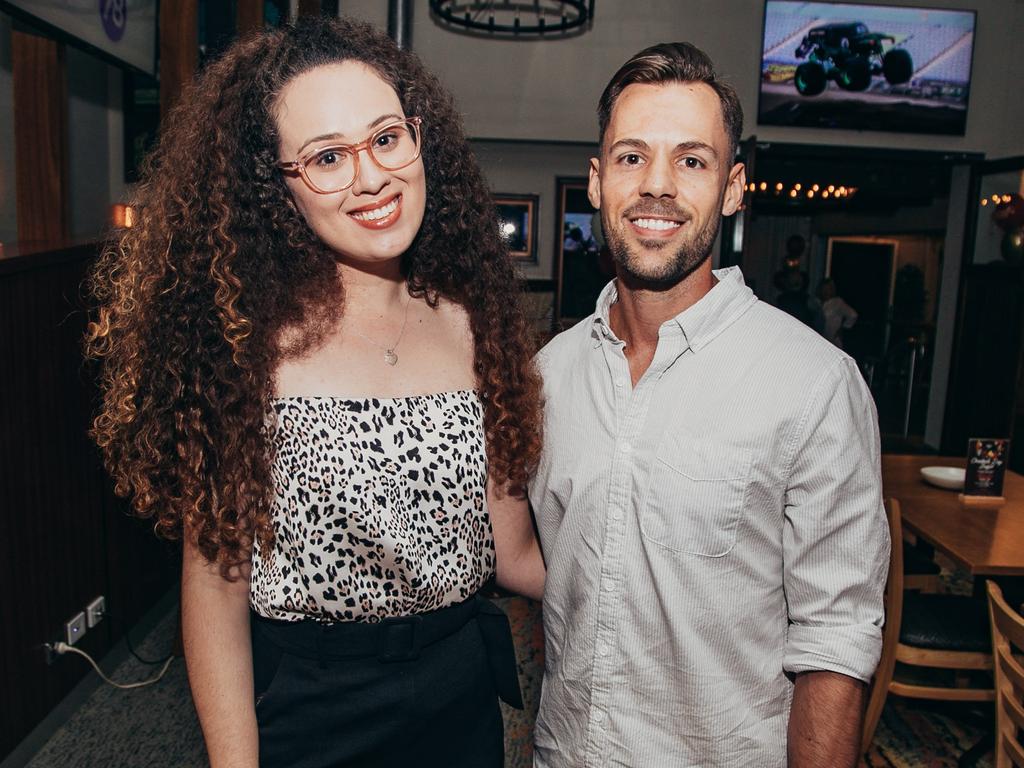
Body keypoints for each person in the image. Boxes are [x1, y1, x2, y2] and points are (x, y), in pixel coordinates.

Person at [86, 17, 545, 768]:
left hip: (460, 696)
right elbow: (215, 595)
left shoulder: (476, 326)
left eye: (387, 138)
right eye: (328, 157)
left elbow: (514, 552)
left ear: (420, 138)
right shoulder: (244, 347)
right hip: (310, 709)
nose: (371, 177)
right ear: (278, 187)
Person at [528, 42, 888, 767]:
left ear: (732, 188)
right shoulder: (547, 377)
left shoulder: (813, 383)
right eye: (631, 158)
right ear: (597, 182)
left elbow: (836, 640)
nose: (656, 186)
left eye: (691, 160)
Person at [818, 277, 859, 348]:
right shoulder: (816, 302)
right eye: (824, 289)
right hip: (819, 339)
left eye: (828, 289)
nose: (826, 292)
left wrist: (842, 328)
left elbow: (853, 315)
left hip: (832, 340)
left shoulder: (838, 302)